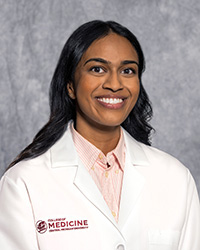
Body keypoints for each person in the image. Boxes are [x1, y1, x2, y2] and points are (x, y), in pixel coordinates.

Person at [0, 20, 199, 250]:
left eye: (127, 70)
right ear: (70, 86)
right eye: (97, 69)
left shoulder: (175, 179)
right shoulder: (23, 183)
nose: (115, 84)